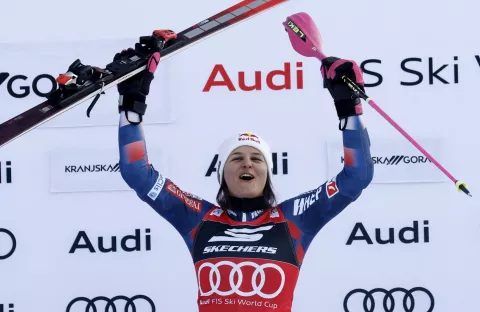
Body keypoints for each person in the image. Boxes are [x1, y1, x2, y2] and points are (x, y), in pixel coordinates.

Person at [116, 39, 374, 312]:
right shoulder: (197, 218)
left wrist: (349, 108)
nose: (247, 165)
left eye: (257, 159)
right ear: (222, 173)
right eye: (236, 158)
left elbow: (357, 176)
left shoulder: (296, 217)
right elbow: (137, 173)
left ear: (268, 172)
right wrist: (131, 107)